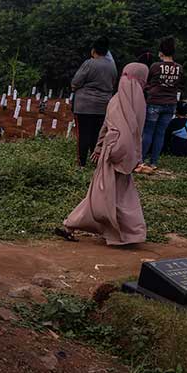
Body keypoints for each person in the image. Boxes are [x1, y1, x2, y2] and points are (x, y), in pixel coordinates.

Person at [55, 63, 149, 246]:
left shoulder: (117, 100)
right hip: (117, 156)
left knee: (109, 195)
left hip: (115, 154)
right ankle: (127, 233)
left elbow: (107, 128)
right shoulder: (136, 103)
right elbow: (125, 133)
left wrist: (100, 148)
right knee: (111, 196)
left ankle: (126, 233)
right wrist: (124, 154)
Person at [138, 36, 184, 172]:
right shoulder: (179, 68)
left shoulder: (155, 66)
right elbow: (179, 84)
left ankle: (140, 159)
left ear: (161, 52)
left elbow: (149, 81)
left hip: (154, 102)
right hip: (170, 103)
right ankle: (154, 162)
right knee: (160, 133)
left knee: (148, 132)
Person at [71, 36, 118, 167]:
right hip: (103, 106)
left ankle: (81, 163)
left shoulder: (89, 63)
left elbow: (75, 82)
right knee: (97, 134)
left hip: (84, 106)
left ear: (93, 50)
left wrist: (76, 88)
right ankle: (96, 162)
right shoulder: (112, 67)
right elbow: (113, 83)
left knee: (83, 134)